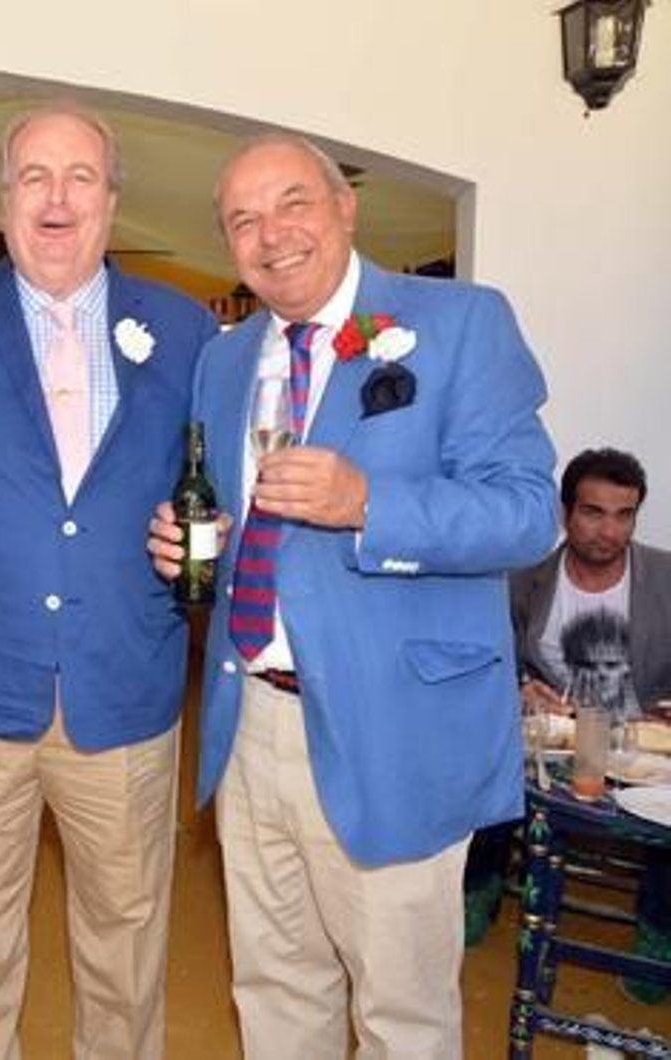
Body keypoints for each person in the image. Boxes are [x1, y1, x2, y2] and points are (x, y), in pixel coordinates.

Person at [148, 132, 556, 1058]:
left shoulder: (460, 323)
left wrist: (370, 503)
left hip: (396, 728)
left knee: (400, 1018)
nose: (271, 234)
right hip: (249, 721)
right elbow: (240, 516)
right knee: (274, 995)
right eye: (243, 220)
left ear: (345, 207)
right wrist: (183, 538)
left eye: (293, 203)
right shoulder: (225, 360)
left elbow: (527, 514)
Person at [0, 103, 217, 1059]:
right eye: (34, 176)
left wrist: (210, 537)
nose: (57, 198)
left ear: (112, 200)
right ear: (2, 199)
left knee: (126, 946)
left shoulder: (186, 329)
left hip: (124, 687)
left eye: (81, 177)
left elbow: (228, 487)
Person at [493, 447, 671, 1000]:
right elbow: (492, 656)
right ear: (565, 512)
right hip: (555, 742)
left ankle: (658, 932)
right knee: (483, 749)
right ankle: (480, 886)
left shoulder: (665, 578)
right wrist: (520, 687)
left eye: (624, 515)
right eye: (594, 512)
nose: (609, 531)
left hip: (644, 744)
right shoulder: (524, 578)